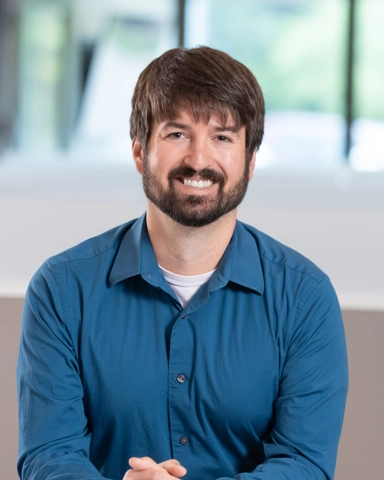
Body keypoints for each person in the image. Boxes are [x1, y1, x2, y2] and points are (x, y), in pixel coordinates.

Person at [17, 46, 348, 480]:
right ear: (139, 152)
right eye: (176, 134)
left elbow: (305, 464)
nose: (198, 159)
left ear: (250, 162)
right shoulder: (60, 290)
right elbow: (49, 455)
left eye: (222, 137)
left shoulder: (305, 298)